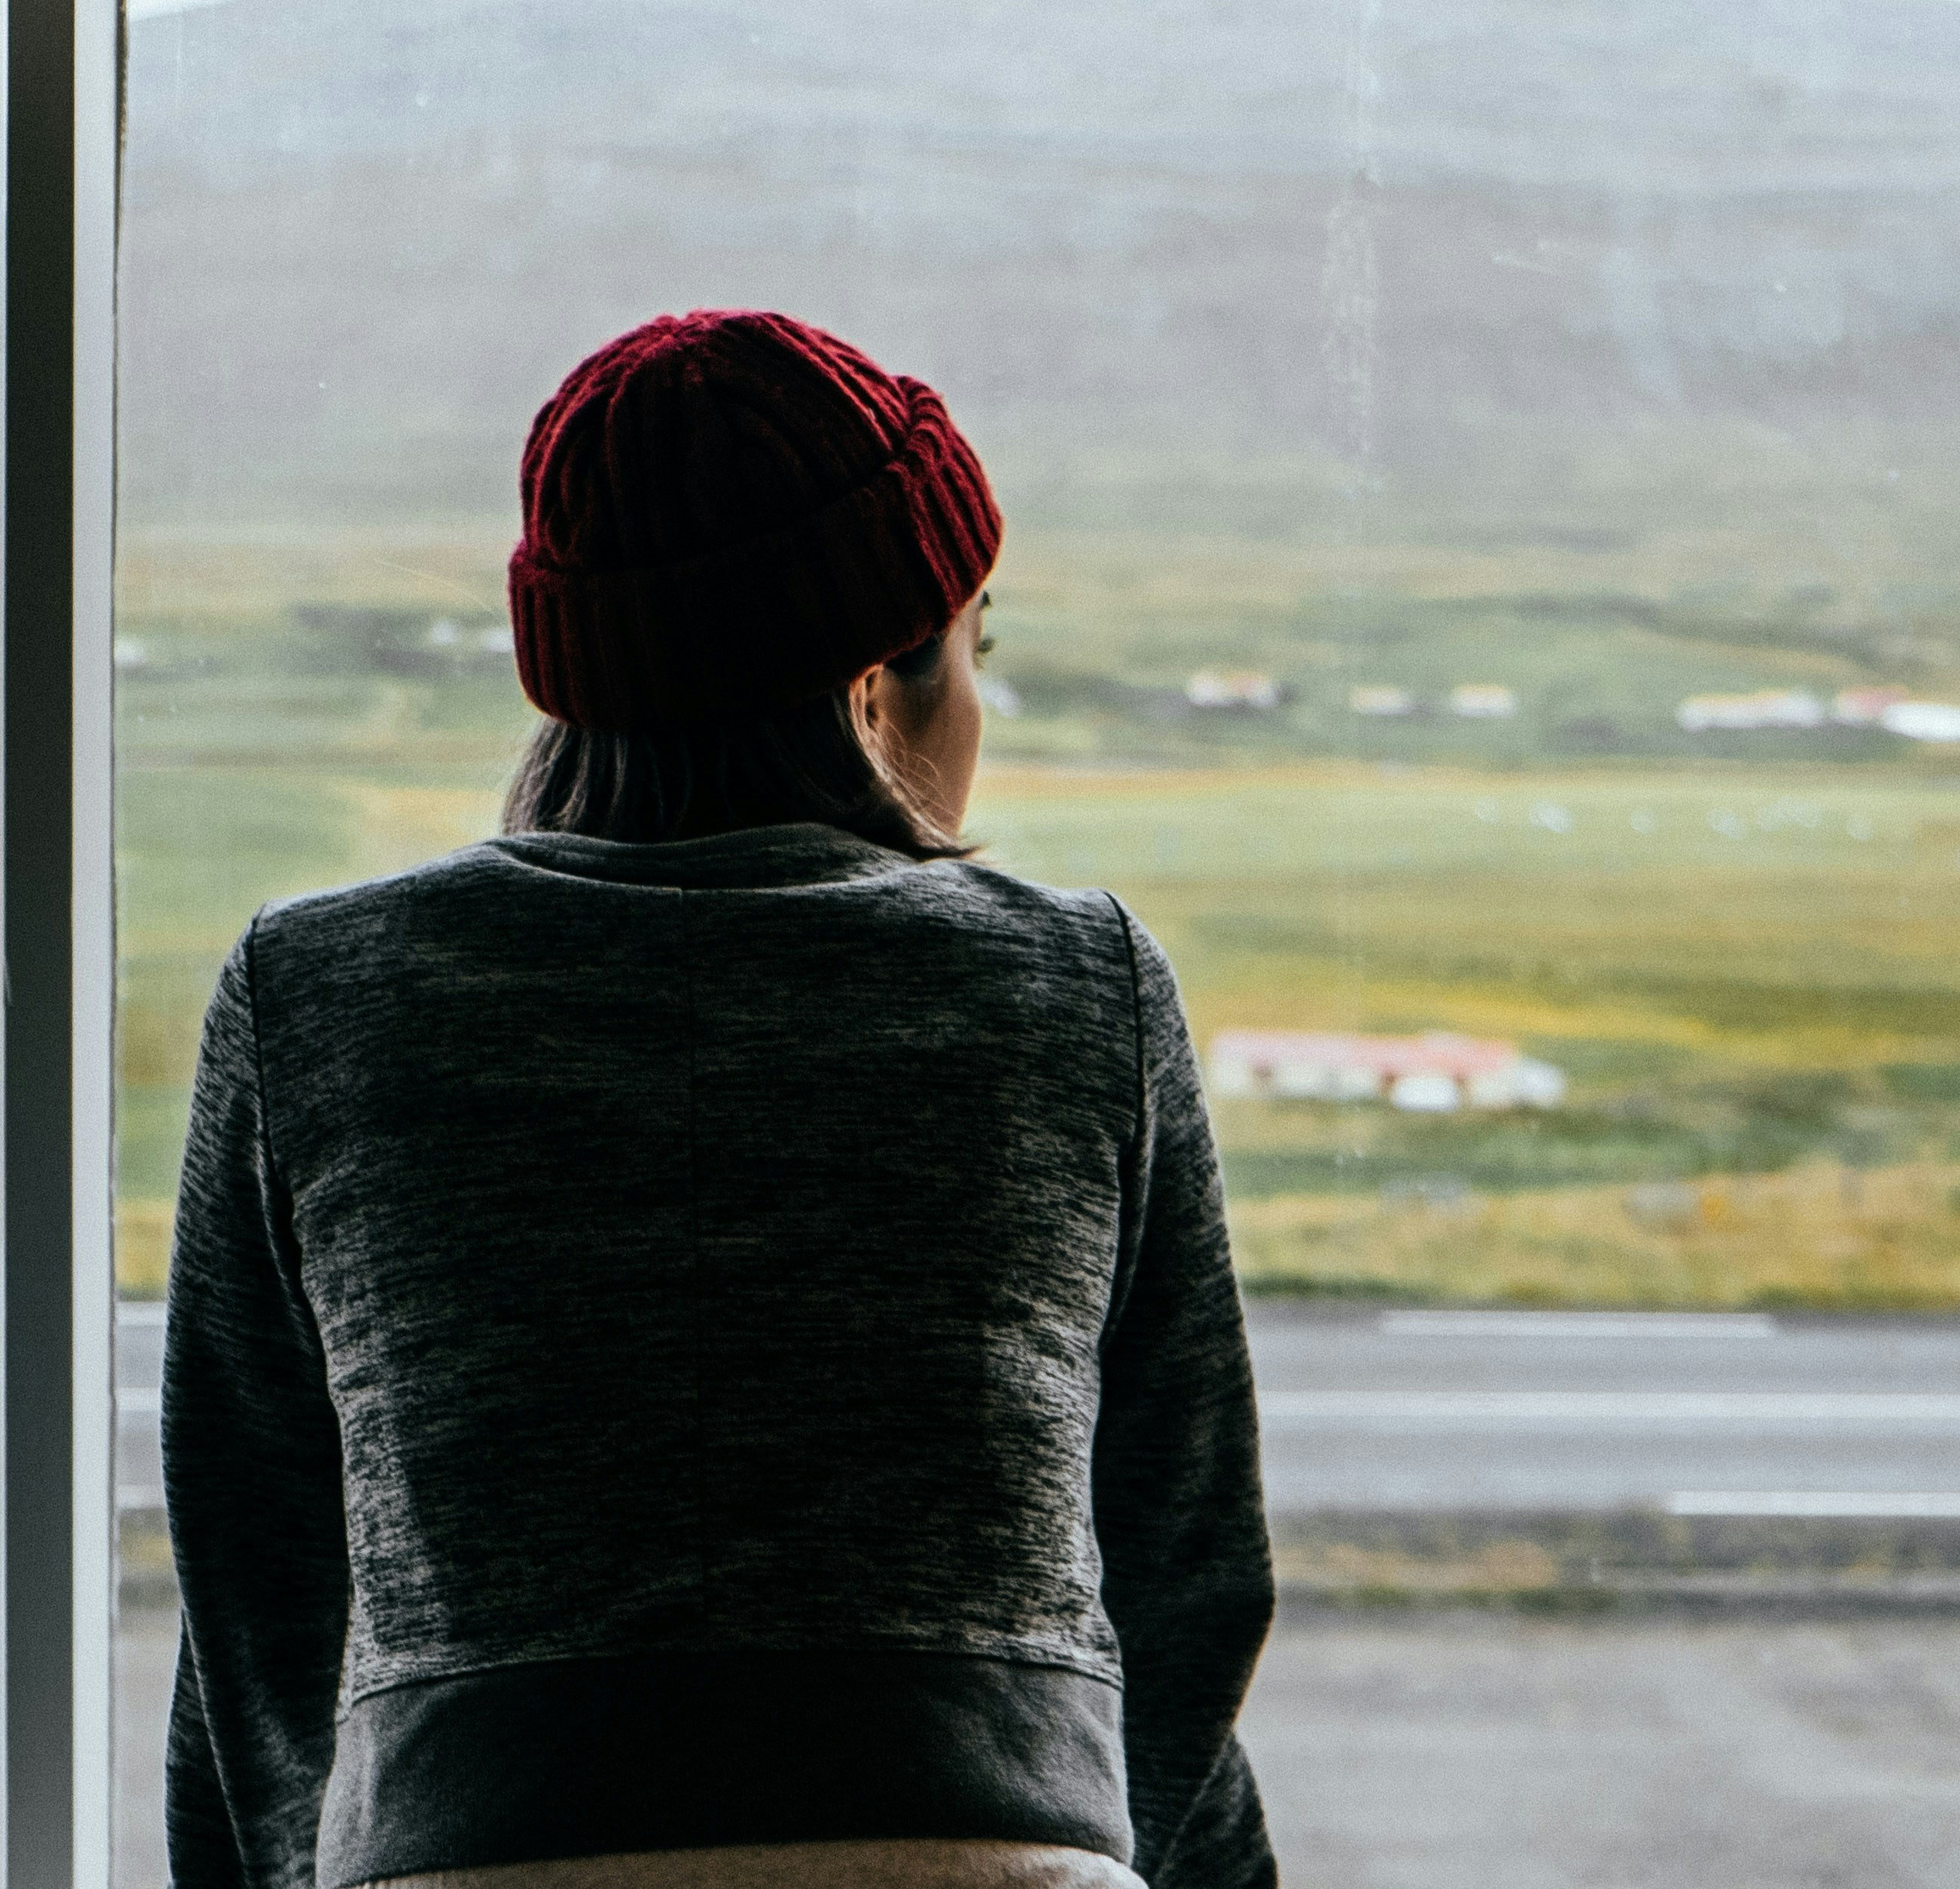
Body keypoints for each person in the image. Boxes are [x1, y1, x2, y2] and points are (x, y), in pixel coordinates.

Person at [164, 310, 1275, 1889]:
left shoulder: (315, 986)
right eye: (974, 645)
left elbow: (254, 1594)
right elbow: (1185, 1569)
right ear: (870, 678)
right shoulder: (1073, 976)